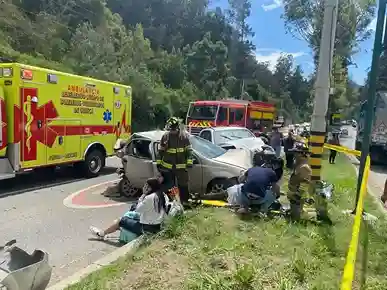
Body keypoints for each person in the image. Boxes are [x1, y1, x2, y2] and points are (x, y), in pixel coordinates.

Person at [89, 177, 169, 238]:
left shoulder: (149, 198)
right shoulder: (162, 195)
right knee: (130, 212)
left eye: (147, 186)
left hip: (147, 228)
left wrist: (143, 194)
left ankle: (102, 234)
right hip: (157, 224)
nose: (145, 187)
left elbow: (138, 209)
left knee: (120, 220)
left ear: (151, 188)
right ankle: (115, 228)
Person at [287, 142, 332, 224]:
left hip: (297, 198)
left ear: (302, 154)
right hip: (294, 196)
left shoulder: (304, 167)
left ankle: (317, 216)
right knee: (293, 214)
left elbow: (305, 184)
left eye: (296, 153)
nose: (294, 155)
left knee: (296, 218)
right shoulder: (299, 165)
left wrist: (297, 196)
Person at [156, 117, 193, 208]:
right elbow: (160, 151)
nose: (172, 131)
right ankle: (171, 203)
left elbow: (189, 151)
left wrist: (189, 162)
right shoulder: (165, 137)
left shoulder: (184, 137)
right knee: (169, 186)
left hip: (181, 167)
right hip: (167, 167)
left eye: (173, 129)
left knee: (183, 185)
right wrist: (158, 163)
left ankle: (185, 202)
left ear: (177, 128)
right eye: (170, 129)